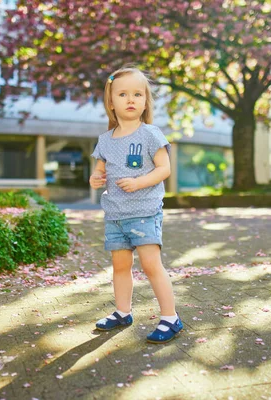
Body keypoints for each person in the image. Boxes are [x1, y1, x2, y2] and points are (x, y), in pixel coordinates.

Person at [89, 66, 183, 344]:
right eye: (123, 94)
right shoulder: (105, 140)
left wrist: (139, 182)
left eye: (137, 94)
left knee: (151, 264)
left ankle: (170, 318)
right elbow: (99, 170)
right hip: (115, 215)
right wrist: (96, 178)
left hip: (144, 212)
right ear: (111, 102)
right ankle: (123, 312)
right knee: (120, 266)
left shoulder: (150, 134)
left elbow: (164, 168)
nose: (131, 99)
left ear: (145, 101)